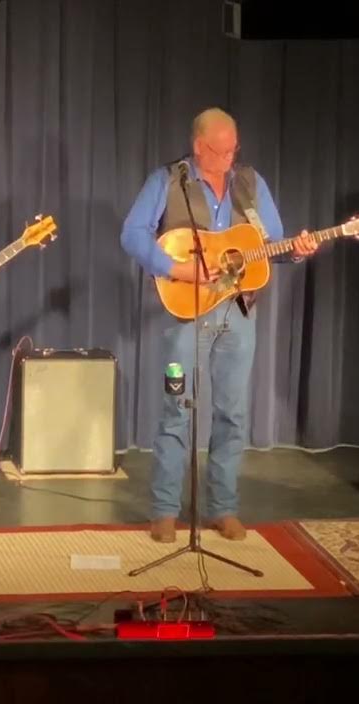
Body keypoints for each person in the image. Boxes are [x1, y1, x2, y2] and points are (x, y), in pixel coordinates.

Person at [121, 108, 318, 543]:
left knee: (233, 413)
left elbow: (272, 245)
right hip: (185, 312)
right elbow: (132, 234)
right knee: (177, 410)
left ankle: (223, 508)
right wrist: (178, 268)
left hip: (238, 314)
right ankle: (165, 511)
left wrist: (298, 250)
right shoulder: (168, 181)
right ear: (198, 146)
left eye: (233, 150)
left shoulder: (250, 183)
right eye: (220, 150)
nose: (229, 158)